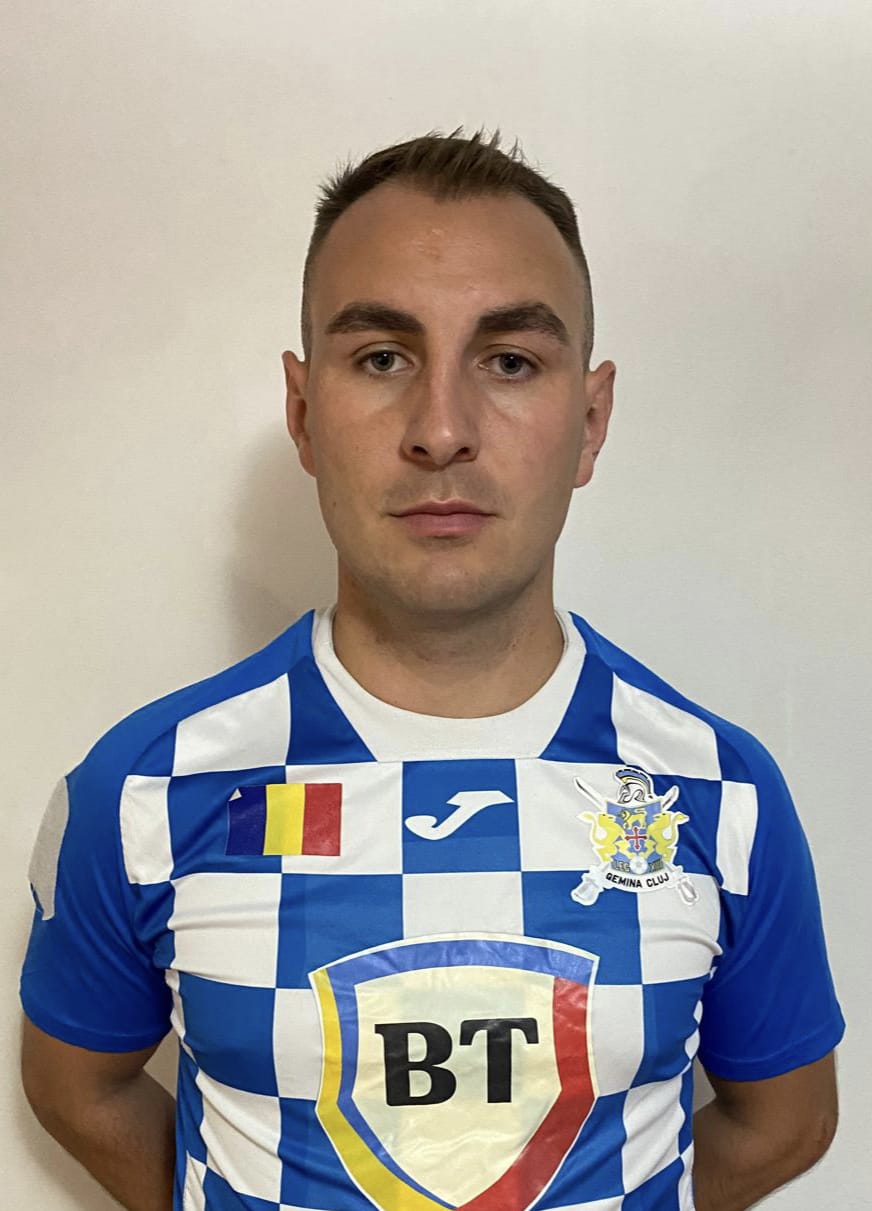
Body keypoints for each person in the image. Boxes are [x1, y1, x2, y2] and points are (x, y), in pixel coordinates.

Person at [20, 126, 844, 1211]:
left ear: (590, 419)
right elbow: (77, 1088)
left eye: (509, 361)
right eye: (381, 357)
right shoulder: (142, 787)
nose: (442, 429)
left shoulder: (717, 790)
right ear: (304, 412)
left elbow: (786, 1121)